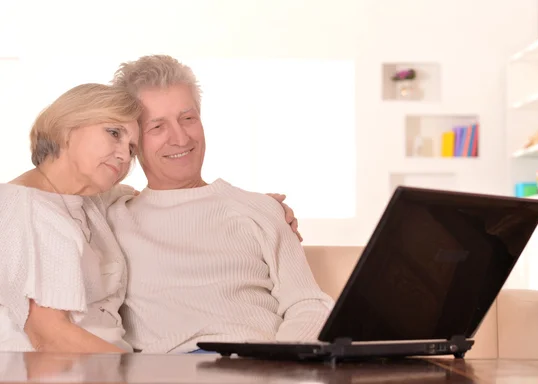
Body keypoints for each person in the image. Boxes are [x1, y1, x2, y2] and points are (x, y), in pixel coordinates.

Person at [108, 55, 334, 353]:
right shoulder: (112, 217)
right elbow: (42, 189)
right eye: (157, 126)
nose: (179, 137)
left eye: (188, 119)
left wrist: (282, 364)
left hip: (261, 364)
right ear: (132, 141)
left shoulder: (259, 209)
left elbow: (308, 303)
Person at [0, 83, 141, 353]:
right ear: (67, 128)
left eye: (132, 149)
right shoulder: (27, 211)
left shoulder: (84, 199)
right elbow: (52, 337)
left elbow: (123, 193)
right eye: (113, 133)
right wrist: (141, 373)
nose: (124, 155)